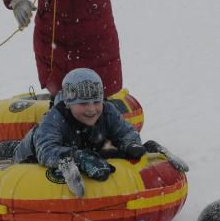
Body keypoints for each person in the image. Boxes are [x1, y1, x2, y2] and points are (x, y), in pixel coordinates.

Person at [11, 69, 146, 197]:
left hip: (83, 145)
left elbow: (125, 131)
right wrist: (80, 157)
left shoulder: (107, 111)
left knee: (111, 152)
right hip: (31, 157)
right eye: (83, 103)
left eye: (96, 101)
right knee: (11, 150)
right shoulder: (54, 119)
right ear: (68, 103)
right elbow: (46, 151)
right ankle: (6, 148)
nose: (91, 109)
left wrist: (130, 143)